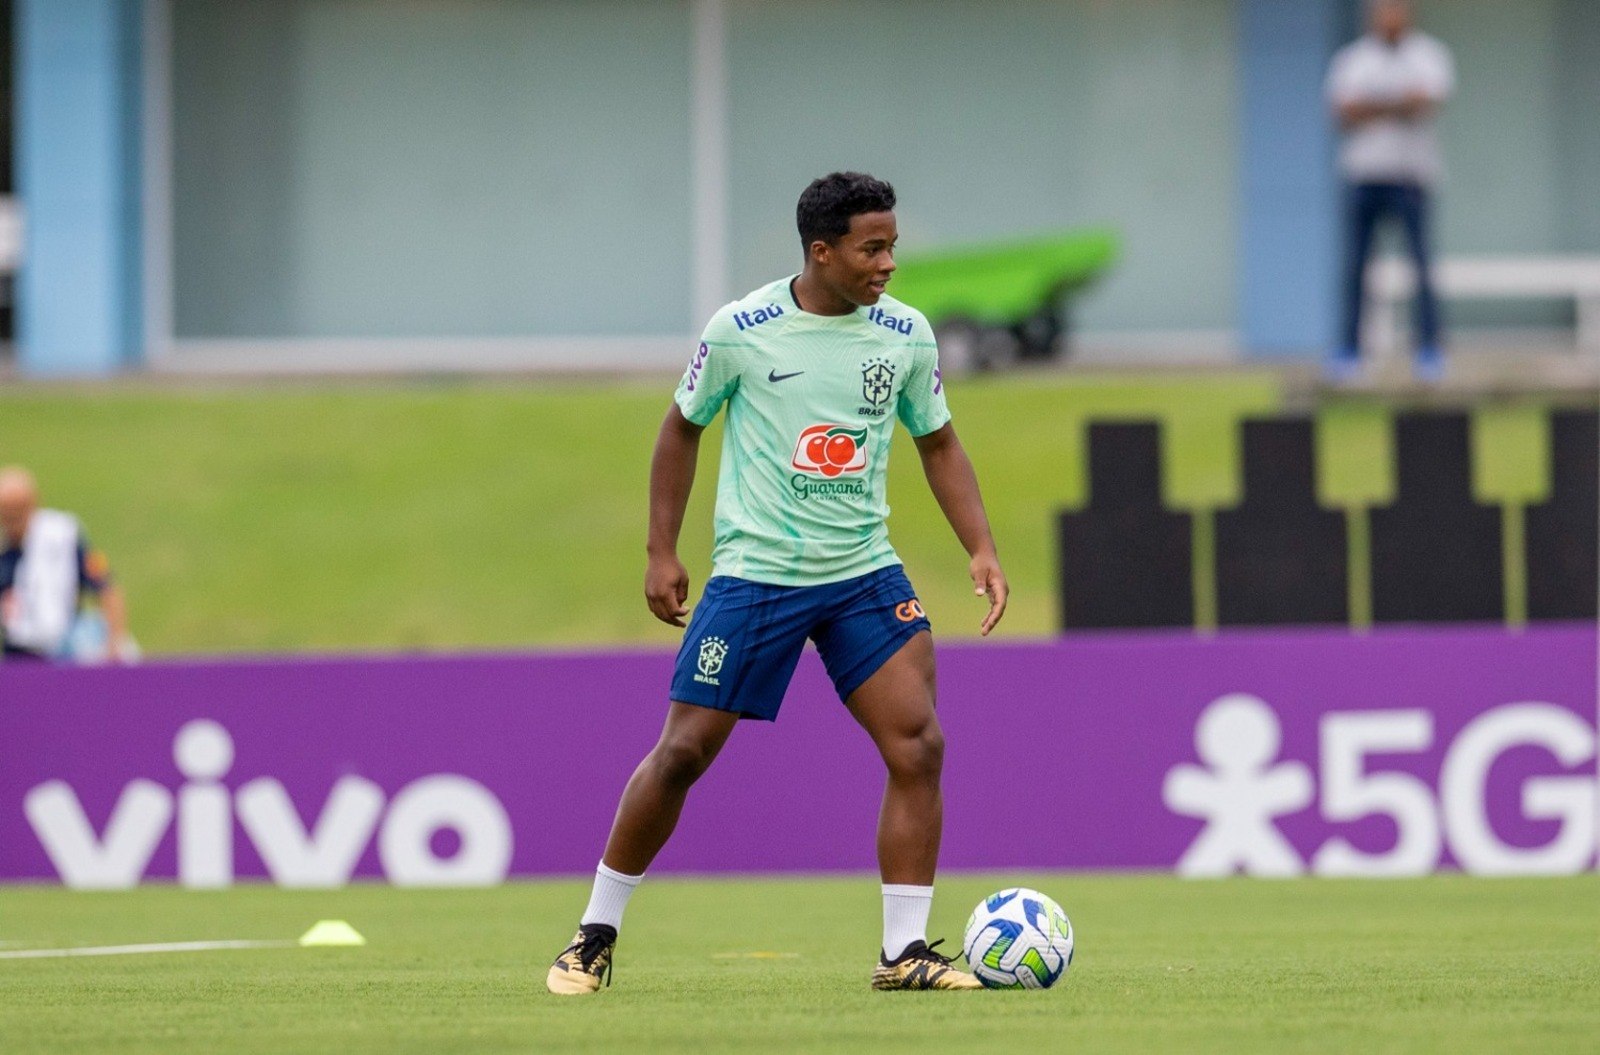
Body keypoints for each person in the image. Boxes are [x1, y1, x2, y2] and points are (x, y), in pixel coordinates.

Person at [546, 172, 1009, 994]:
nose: (889, 263)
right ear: (821, 251)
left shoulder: (905, 334)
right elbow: (680, 429)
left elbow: (938, 442)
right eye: (873, 247)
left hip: (862, 573)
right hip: (757, 576)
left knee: (919, 743)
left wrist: (980, 545)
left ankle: (903, 953)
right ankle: (592, 935)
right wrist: (661, 549)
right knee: (683, 752)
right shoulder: (742, 330)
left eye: (893, 245)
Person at [1325, 0, 1455, 383]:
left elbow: (1426, 104)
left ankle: (1429, 349)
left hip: (1412, 177)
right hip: (1363, 177)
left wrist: (1372, 107)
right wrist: (1399, 105)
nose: (1389, 16)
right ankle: (1349, 350)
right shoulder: (1352, 60)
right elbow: (1343, 113)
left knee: (1421, 266)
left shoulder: (1429, 55)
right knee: (1355, 268)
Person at [0, 466, 135, 662]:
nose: (13, 521)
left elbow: (107, 587)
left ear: (34, 504)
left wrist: (113, 643)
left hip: (63, 650)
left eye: (18, 512)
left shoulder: (62, 537)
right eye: (7, 514)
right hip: (16, 656)